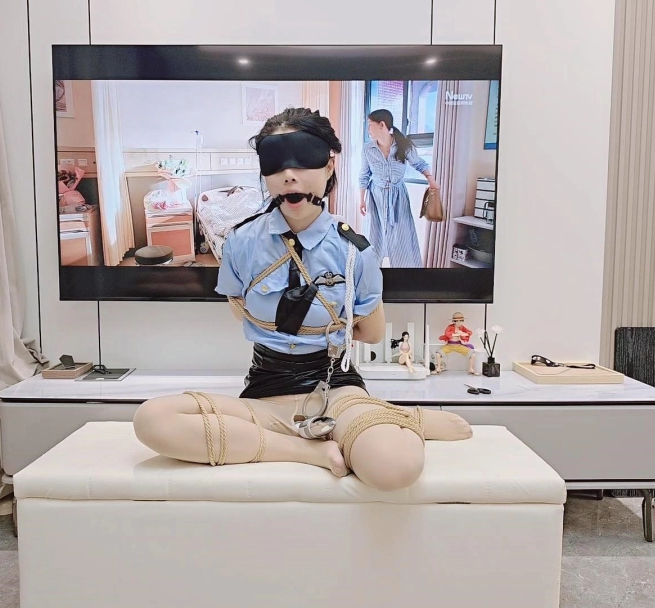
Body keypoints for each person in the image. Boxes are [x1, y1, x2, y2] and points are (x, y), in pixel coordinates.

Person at [133, 108, 472, 493]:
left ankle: (395, 417)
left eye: (304, 158)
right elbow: (245, 315)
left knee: (395, 467)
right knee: (153, 419)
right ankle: (307, 449)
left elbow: (373, 334)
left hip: (336, 390)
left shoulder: (355, 250)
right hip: (265, 393)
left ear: (329, 166)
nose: (289, 175)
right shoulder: (239, 243)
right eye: (276, 162)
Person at [359, 109, 440, 268]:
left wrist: (431, 180)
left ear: (381, 125)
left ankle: (404, 274)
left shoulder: (404, 145)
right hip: (375, 197)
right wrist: (361, 200)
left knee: (402, 238)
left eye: (370, 124)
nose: (368, 129)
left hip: (398, 197)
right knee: (374, 237)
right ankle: (371, 273)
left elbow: (419, 163)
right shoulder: (368, 149)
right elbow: (364, 175)